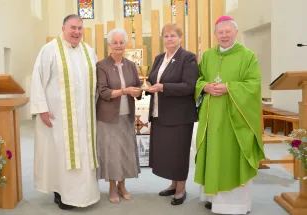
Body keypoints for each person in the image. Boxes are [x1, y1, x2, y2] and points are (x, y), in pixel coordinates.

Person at [194, 16, 265, 214]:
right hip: (211, 116)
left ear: (235, 32)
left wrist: (228, 88)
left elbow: (253, 84)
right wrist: (205, 86)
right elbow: (198, 79)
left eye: (228, 32)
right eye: (220, 32)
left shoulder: (247, 55)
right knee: (213, 154)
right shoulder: (208, 55)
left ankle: (236, 205)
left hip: (235, 119)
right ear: (215, 34)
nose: (224, 35)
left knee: (231, 156)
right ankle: (213, 197)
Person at [30, 14, 100, 210]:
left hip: (85, 116)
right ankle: (61, 193)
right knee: (61, 154)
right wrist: (41, 109)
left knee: (84, 154)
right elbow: (38, 79)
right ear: (63, 28)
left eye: (80, 28)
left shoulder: (89, 51)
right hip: (59, 117)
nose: (76, 32)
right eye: (73, 28)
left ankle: (87, 193)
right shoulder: (50, 50)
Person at [145, 23, 198, 205]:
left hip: (180, 116)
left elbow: (189, 86)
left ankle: (181, 189)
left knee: (179, 153)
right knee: (168, 153)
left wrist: (163, 87)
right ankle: (173, 184)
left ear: (180, 38)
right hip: (160, 113)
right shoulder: (160, 58)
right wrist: (148, 87)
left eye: (173, 36)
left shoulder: (188, 58)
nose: (169, 39)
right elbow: (153, 78)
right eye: (166, 36)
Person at [96, 28, 142, 204]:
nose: (118, 45)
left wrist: (138, 92)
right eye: (115, 42)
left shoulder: (131, 65)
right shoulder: (102, 65)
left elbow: (137, 89)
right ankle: (113, 188)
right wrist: (124, 91)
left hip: (126, 116)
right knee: (112, 154)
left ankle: (123, 186)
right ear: (110, 45)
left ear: (125, 44)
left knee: (125, 152)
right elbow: (104, 92)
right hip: (108, 117)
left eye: (121, 42)